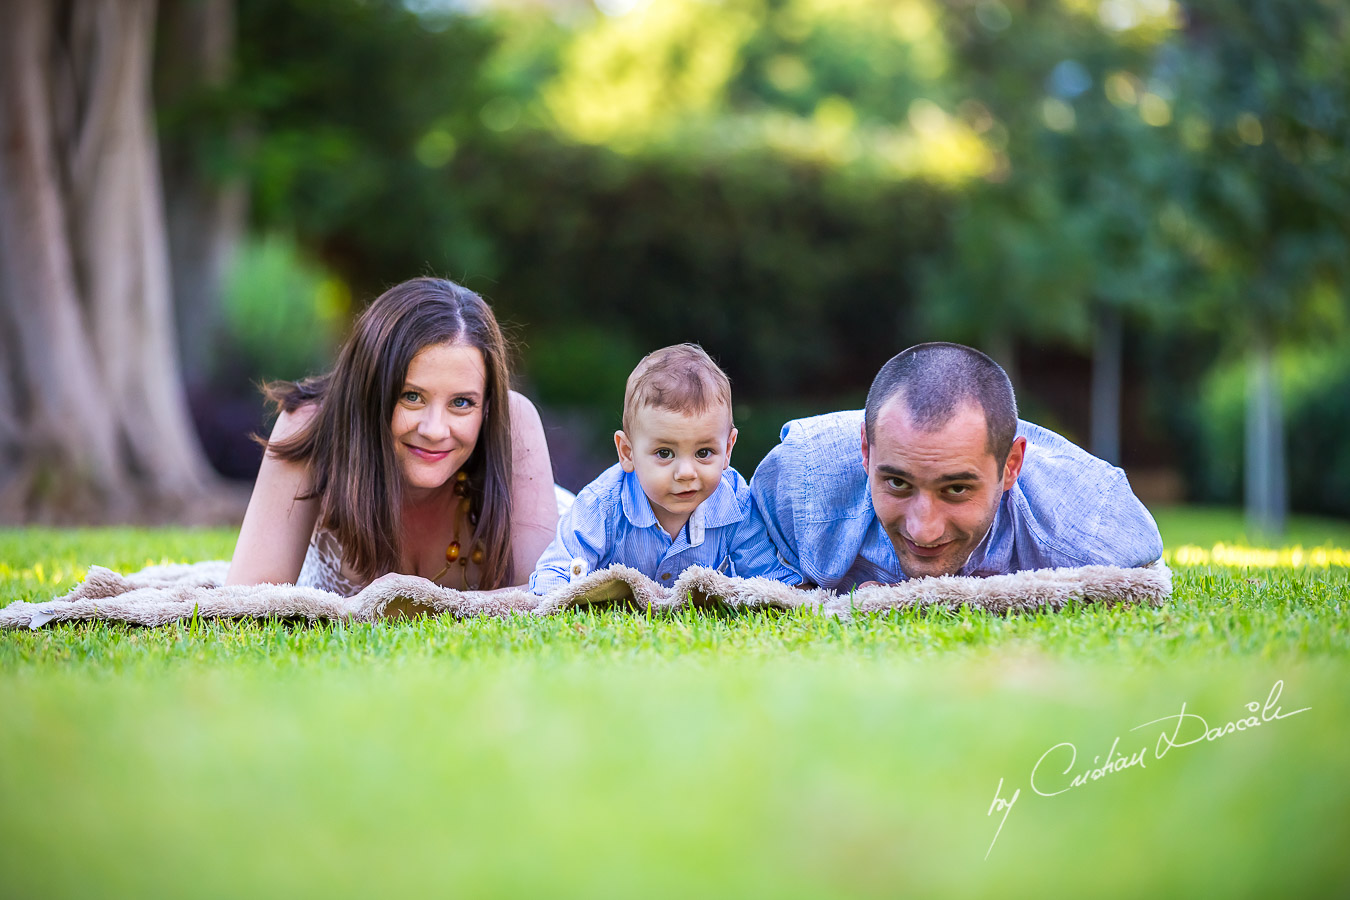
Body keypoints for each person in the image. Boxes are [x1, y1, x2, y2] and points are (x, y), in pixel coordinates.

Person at [226, 277, 559, 594]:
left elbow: (542, 593)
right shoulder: (311, 425)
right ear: (370, 389)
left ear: (486, 405)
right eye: (411, 396)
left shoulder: (512, 419)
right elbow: (249, 596)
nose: (434, 430)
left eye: (461, 403)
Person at [749, 342, 1164, 589]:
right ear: (866, 450)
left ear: (1011, 466)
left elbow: (1145, 567)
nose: (922, 529)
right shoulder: (796, 478)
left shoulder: (1090, 522)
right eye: (897, 482)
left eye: (956, 489)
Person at [529, 343, 795, 595]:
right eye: (664, 453)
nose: (686, 473)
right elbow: (555, 573)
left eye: (704, 453)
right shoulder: (602, 505)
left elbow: (769, 580)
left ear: (728, 449)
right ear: (627, 452)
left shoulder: (735, 503)